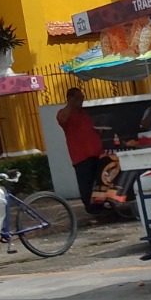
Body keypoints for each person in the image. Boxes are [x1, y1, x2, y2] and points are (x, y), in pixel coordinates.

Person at [55, 87, 103, 216]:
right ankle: (90, 207)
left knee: (98, 181)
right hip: (81, 155)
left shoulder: (84, 113)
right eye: (79, 98)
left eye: (82, 97)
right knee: (86, 183)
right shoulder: (64, 113)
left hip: (95, 152)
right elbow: (62, 120)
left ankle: (99, 204)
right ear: (71, 98)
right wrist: (72, 103)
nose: (81, 100)